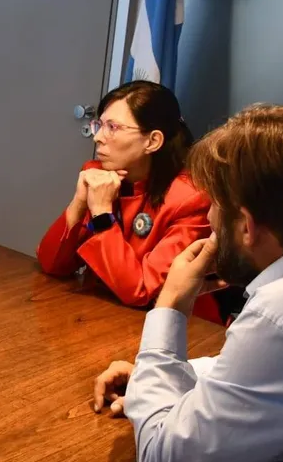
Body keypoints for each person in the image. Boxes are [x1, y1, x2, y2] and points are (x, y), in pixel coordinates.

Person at [93, 104, 283, 462]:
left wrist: (171, 305)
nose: (209, 219)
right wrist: (165, 374)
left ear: (247, 226)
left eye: (215, 206)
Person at [36, 81, 220, 322]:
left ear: (153, 141)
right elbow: (52, 264)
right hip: (103, 312)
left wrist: (102, 214)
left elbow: (142, 291)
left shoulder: (191, 198)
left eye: (112, 127)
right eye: (99, 125)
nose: (98, 138)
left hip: (178, 326)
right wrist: (79, 203)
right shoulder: (100, 175)